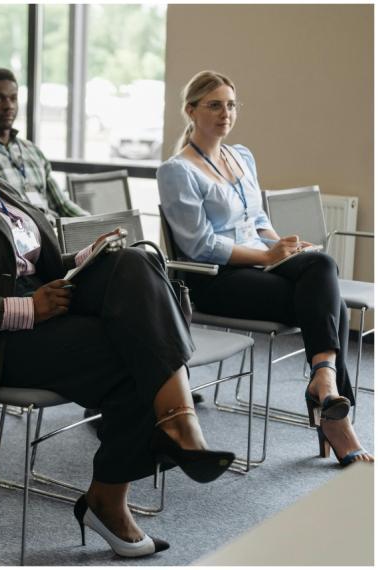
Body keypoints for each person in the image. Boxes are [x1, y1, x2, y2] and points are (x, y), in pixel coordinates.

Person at [0, 72, 235, 558]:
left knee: (134, 259)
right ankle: (118, 488)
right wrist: (23, 308)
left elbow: (37, 262)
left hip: (47, 310)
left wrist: (82, 260)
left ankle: (170, 429)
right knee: (135, 357)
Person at [157, 70, 372, 467]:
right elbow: (198, 246)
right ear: (191, 110)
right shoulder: (178, 170)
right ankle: (332, 411)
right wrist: (267, 257)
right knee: (332, 305)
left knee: (320, 268)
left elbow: (257, 221)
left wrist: (281, 245)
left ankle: (323, 382)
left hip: (260, 265)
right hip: (215, 279)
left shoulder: (240, 156)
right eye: (215, 105)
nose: (226, 113)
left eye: (232, 105)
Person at [0, 67, 89, 220]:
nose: (8, 105)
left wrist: (94, 224)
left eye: (13, 98)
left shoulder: (32, 150)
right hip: (24, 237)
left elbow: (62, 205)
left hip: (53, 231)